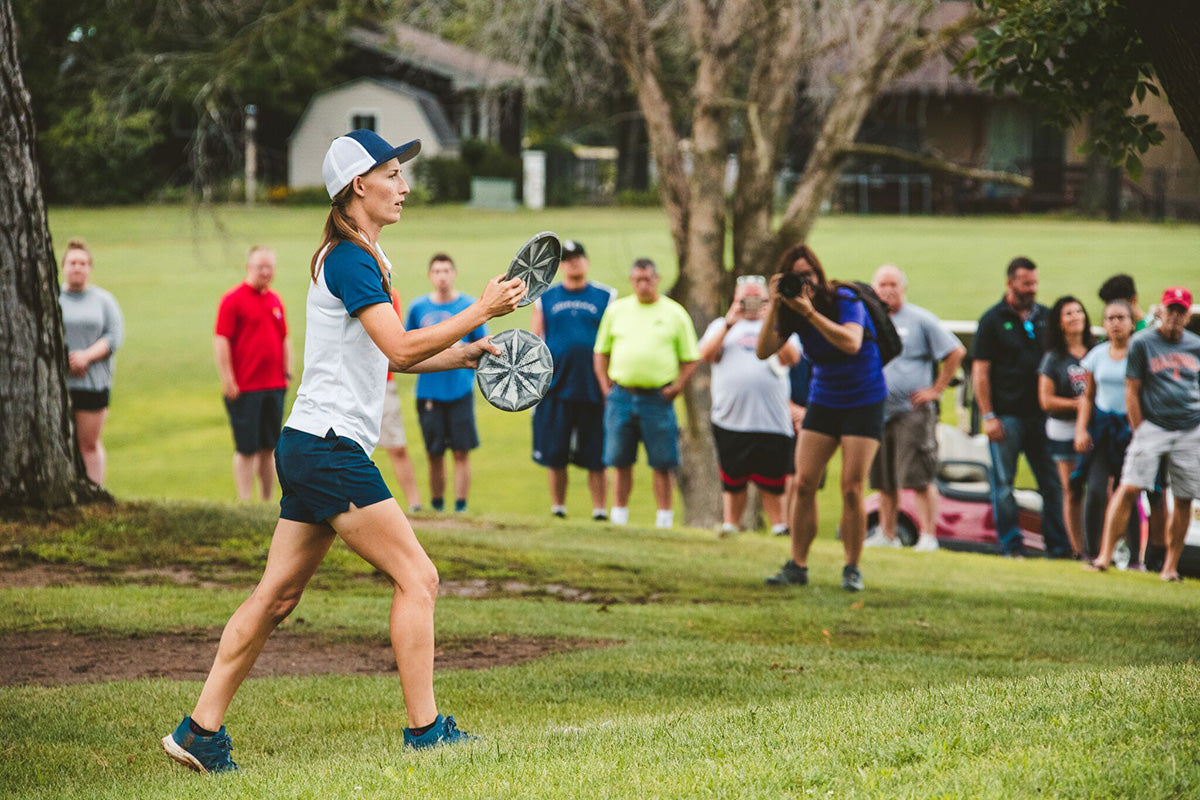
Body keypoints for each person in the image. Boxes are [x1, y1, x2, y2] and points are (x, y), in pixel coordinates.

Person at [161, 129, 526, 773]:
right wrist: (481, 308)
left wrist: (463, 355)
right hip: (329, 449)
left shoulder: (360, 256)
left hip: (308, 445)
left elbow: (395, 350)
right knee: (420, 577)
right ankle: (426, 732)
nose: (404, 187)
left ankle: (198, 732)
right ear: (360, 185)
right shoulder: (352, 259)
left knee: (276, 596)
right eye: (392, 174)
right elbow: (401, 348)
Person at [756, 243, 886, 592]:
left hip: (864, 399)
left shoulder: (844, 298)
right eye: (796, 277)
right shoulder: (790, 309)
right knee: (803, 482)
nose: (805, 282)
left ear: (819, 274)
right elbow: (763, 350)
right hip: (824, 399)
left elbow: (851, 343)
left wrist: (810, 313)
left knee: (851, 487)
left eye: (808, 274)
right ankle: (797, 564)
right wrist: (776, 306)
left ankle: (852, 567)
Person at [1088, 287, 1200, 582]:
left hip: (1190, 427)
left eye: (1180, 311)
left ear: (1187, 315)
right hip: (1153, 426)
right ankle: (1103, 556)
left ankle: (1170, 566)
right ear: (1160, 311)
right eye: (1170, 309)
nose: (1175, 316)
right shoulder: (1144, 343)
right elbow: (1132, 389)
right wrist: (1140, 429)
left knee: (1185, 496)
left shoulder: (1195, 346)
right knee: (1129, 486)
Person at [970, 257, 1071, 558]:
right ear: (1010, 283)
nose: (1032, 289)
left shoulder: (1047, 317)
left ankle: (1060, 547)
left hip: (1043, 417)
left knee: (1052, 485)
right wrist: (988, 415)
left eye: (1035, 283)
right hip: (1006, 416)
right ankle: (1011, 546)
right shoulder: (992, 320)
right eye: (1026, 283)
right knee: (1003, 484)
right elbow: (980, 372)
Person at [865, 264, 966, 552]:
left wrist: (936, 389)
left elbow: (955, 351)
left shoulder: (921, 320)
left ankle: (928, 536)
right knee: (883, 477)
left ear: (903, 289)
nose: (887, 290)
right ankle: (887, 534)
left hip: (912, 412)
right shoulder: (870, 321)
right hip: (877, 410)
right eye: (882, 285)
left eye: (893, 285)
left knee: (918, 475)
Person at [593, 257, 700, 528]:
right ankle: (619, 515)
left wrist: (677, 386)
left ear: (657, 279)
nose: (643, 285)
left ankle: (664, 518)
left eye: (648, 279)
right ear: (632, 281)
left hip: (657, 397)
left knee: (663, 461)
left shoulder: (674, 313)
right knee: (620, 459)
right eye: (638, 279)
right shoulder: (618, 311)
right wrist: (606, 387)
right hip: (622, 394)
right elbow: (600, 352)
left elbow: (691, 357)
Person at [698, 275, 800, 537]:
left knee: (773, 480)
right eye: (746, 299)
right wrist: (730, 323)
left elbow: (792, 358)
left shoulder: (779, 327)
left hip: (772, 420)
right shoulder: (721, 326)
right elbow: (707, 355)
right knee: (733, 478)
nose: (752, 305)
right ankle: (731, 524)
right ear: (735, 299)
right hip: (732, 419)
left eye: (759, 300)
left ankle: (779, 526)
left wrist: (771, 323)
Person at [530, 239, 615, 520]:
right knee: (555, 454)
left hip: (594, 387)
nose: (573, 263)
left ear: (586, 261)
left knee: (597, 456)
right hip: (556, 387)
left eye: (577, 257)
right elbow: (536, 341)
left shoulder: (606, 296)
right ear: (560, 265)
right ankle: (558, 508)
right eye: (567, 259)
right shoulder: (546, 297)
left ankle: (600, 510)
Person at [406, 254, 487, 513]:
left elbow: (482, 346)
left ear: (454, 274)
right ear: (430, 276)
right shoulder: (418, 308)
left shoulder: (469, 306)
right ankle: (437, 507)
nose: (442, 276)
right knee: (434, 453)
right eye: (437, 271)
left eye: (447, 271)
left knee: (462, 451)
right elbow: (406, 346)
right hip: (429, 392)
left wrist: (458, 349)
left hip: (460, 390)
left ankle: (461, 507)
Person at [1097, 272, 1166, 568]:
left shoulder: (1150, 333)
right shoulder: (1126, 332)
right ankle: (1122, 552)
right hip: (1121, 425)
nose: (1115, 319)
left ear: (1132, 302)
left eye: (1119, 308)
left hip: (1150, 422)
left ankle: (1154, 556)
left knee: (1153, 492)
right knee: (1130, 490)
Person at [214, 246, 292, 502]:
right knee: (247, 448)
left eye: (270, 267)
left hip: (274, 386)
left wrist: (287, 373)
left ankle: (266, 500)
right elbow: (222, 340)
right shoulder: (233, 299)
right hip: (245, 387)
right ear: (249, 267)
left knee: (269, 447)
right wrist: (228, 379)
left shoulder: (274, 300)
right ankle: (244, 500)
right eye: (261, 266)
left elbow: (284, 338)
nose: (266, 272)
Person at [1074, 300, 1139, 561]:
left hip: (1129, 428)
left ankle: (1135, 556)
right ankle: (1093, 551)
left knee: (1129, 491)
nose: (1115, 323)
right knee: (1097, 490)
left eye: (1121, 318)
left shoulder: (1139, 353)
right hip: (1103, 430)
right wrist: (1081, 430)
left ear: (1131, 323)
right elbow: (1088, 397)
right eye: (1110, 318)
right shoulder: (1097, 355)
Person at [59, 238, 124, 487]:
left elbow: (113, 337)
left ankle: (95, 489)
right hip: (60, 383)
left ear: (90, 268)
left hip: (92, 382)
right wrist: (65, 359)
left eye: (83, 263)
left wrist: (85, 356)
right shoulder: (52, 297)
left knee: (88, 443)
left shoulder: (103, 301)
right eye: (73, 262)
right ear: (64, 266)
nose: (78, 267)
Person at [1037, 296, 1096, 559]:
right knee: (1071, 489)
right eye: (1068, 313)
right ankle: (1077, 548)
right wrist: (1078, 404)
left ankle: (1099, 544)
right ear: (1059, 323)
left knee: (1099, 488)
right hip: (1063, 429)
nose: (1075, 317)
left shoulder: (1097, 351)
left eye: (1078, 311)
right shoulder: (1054, 358)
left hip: (1095, 428)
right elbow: (1045, 400)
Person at [380, 289, 422, 512]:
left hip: (383, 382)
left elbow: (396, 342)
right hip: (350, 382)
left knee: (397, 445)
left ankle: (415, 505)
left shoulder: (389, 292)